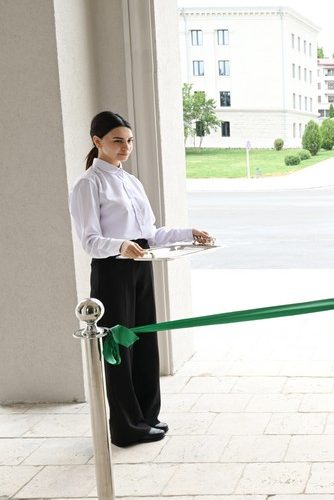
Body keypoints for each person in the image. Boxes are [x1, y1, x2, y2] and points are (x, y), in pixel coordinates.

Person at [69, 111, 212, 447]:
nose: (126, 147)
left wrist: (189, 232)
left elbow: (151, 233)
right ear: (97, 141)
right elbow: (90, 240)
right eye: (117, 140)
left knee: (146, 341)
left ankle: (146, 416)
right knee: (119, 348)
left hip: (141, 266)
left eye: (129, 141)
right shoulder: (89, 184)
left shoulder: (131, 182)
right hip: (112, 271)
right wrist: (120, 245)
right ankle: (125, 427)